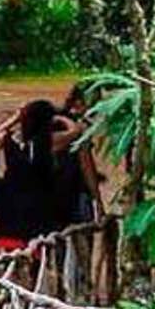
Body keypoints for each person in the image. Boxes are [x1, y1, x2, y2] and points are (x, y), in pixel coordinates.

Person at [0, 99, 77, 255]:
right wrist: (62, 118)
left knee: (9, 240)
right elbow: (75, 131)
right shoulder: (47, 142)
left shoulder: (10, 141)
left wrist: (15, 118)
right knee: (34, 244)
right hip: (39, 201)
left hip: (10, 201)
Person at [55, 85, 105, 227]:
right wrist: (98, 200)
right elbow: (86, 164)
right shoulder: (80, 127)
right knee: (82, 236)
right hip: (76, 191)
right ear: (79, 102)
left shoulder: (56, 120)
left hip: (52, 192)